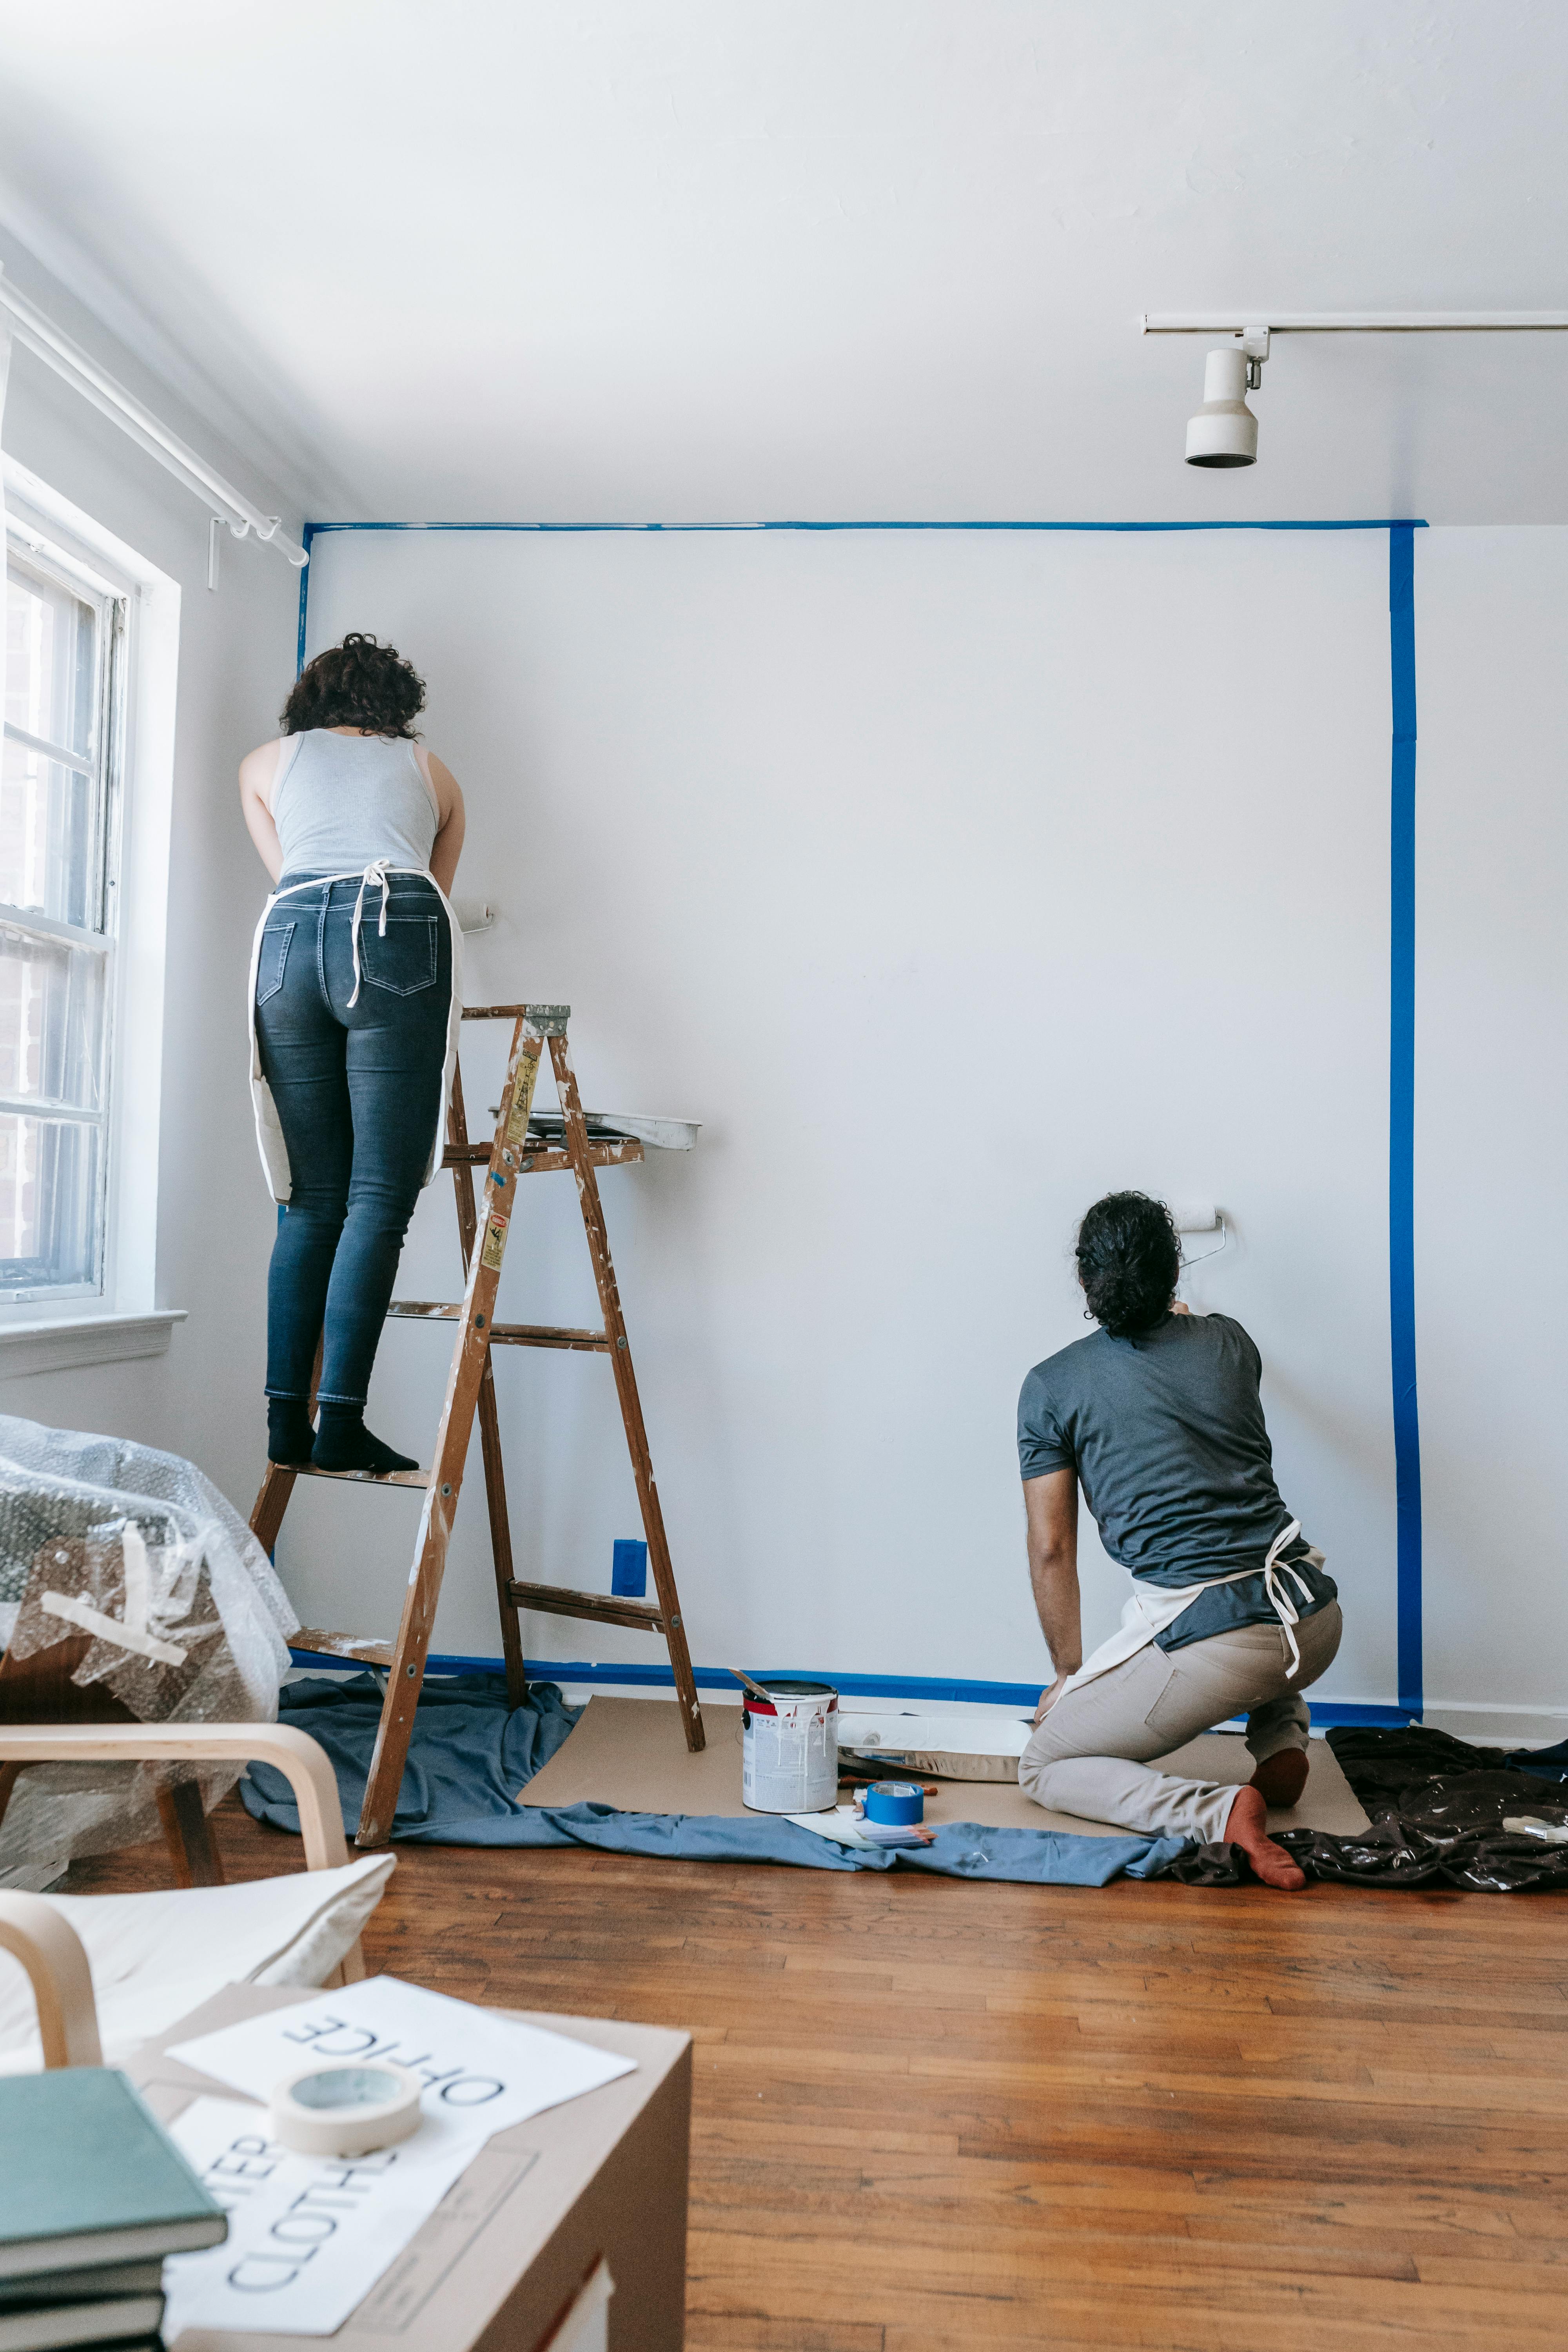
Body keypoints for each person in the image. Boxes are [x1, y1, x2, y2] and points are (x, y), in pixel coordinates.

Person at [1015, 1191, 1342, 1889]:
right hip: (1314, 1619)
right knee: (1240, 1561)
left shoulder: (1051, 1387)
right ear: (1174, 1274)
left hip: (1220, 1648)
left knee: (1043, 1763)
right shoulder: (1231, 1342)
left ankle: (1219, 1810)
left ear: (1084, 1281)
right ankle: (1283, 1735)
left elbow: (1052, 1549)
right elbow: (1184, 1362)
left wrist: (1068, 1675)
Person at [239, 633, 466, 1477]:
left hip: (287, 945)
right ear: (396, 704)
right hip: (394, 932)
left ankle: (282, 1423)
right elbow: (432, 897)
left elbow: (289, 874)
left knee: (311, 1201)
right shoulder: (433, 774)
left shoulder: (263, 764)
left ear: (312, 700)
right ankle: (340, 1420)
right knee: (378, 1196)